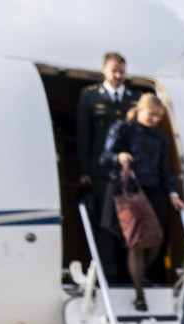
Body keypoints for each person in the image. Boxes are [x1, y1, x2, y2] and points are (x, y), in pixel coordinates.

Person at [102, 93, 184, 311]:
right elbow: (104, 157)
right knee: (137, 242)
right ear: (140, 110)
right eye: (152, 115)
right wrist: (119, 158)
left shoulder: (160, 138)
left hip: (153, 190)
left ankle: (136, 274)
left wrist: (172, 193)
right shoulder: (122, 129)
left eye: (158, 117)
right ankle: (139, 294)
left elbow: (165, 169)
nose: (155, 120)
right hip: (130, 191)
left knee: (156, 239)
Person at [75, 51, 139, 282]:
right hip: (101, 172)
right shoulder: (90, 97)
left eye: (122, 71)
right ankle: (108, 272)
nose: (118, 75)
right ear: (104, 69)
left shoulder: (135, 99)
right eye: (114, 70)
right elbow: (84, 136)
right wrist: (85, 171)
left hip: (127, 174)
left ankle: (126, 273)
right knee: (105, 222)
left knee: (128, 223)